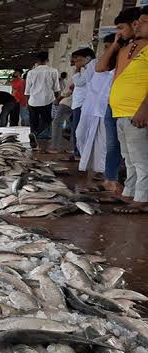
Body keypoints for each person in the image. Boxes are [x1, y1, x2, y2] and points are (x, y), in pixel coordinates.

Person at [96, 7, 145, 195]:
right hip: (115, 107)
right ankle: (125, 189)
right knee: (121, 150)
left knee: (138, 157)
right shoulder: (124, 48)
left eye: (121, 28)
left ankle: (139, 196)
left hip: (134, 108)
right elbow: (100, 68)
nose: (120, 32)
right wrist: (116, 45)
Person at [108, 6, 148, 214]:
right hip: (122, 112)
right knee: (129, 158)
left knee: (141, 159)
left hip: (137, 112)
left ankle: (143, 198)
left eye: (143, 21)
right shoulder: (133, 48)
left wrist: (144, 109)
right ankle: (130, 193)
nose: (138, 24)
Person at [76, 43, 113, 189]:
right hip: (91, 107)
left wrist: (77, 71)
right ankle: (92, 165)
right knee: (82, 135)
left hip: (103, 108)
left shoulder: (95, 64)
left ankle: (103, 171)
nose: (106, 51)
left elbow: (81, 82)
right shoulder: (96, 64)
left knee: (103, 142)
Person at [25, 52, 61, 148]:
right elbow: (56, 88)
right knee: (47, 121)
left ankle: (33, 135)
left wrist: (27, 102)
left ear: (37, 61)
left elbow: (27, 89)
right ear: (47, 60)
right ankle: (36, 134)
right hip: (47, 100)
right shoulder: (53, 71)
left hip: (33, 101)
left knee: (33, 122)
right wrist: (58, 99)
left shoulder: (31, 72)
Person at [69, 47, 96, 161]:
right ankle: (78, 151)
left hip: (82, 103)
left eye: (78, 60)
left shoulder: (91, 67)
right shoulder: (86, 68)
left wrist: (77, 69)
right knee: (77, 129)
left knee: (78, 130)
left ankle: (79, 153)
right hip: (80, 103)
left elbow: (79, 82)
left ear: (87, 58)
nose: (76, 63)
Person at [50, 72, 73, 154]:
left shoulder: (78, 72)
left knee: (57, 122)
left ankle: (55, 147)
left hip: (68, 101)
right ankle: (72, 148)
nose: (72, 61)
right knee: (73, 125)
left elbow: (68, 89)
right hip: (78, 103)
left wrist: (58, 99)